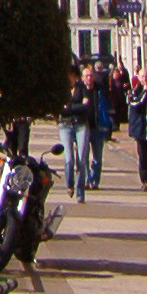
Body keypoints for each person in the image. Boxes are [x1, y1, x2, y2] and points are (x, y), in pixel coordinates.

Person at [58, 65, 93, 202]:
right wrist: (75, 108)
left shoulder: (82, 88)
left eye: (72, 75)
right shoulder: (62, 90)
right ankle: (69, 184)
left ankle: (80, 193)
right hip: (65, 125)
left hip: (81, 124)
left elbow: (86, 106)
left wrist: (70, 108)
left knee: (81, 159)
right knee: (68, 158)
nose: (70, 78)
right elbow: (61, 110)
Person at [87, 63, 112, 189]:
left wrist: (106, 124)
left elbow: (105, 107)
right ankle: (86, 180)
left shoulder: (99, 91)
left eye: (91, 75)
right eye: (86, 76)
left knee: (97, 157)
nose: (89, 78)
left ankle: (95, 181)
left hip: (97, 127)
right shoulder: (81, 90)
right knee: (83, 156)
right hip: (84, 127)